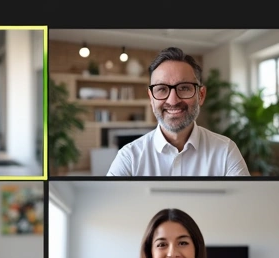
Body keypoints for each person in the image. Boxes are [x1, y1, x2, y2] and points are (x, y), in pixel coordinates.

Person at [106, 47, 249, 177]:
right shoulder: (129, 157)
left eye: (184, 88)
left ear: (201, 95)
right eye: (162, 89)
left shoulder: (225, 151)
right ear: (151, 98)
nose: (173, 101)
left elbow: (244, 204)